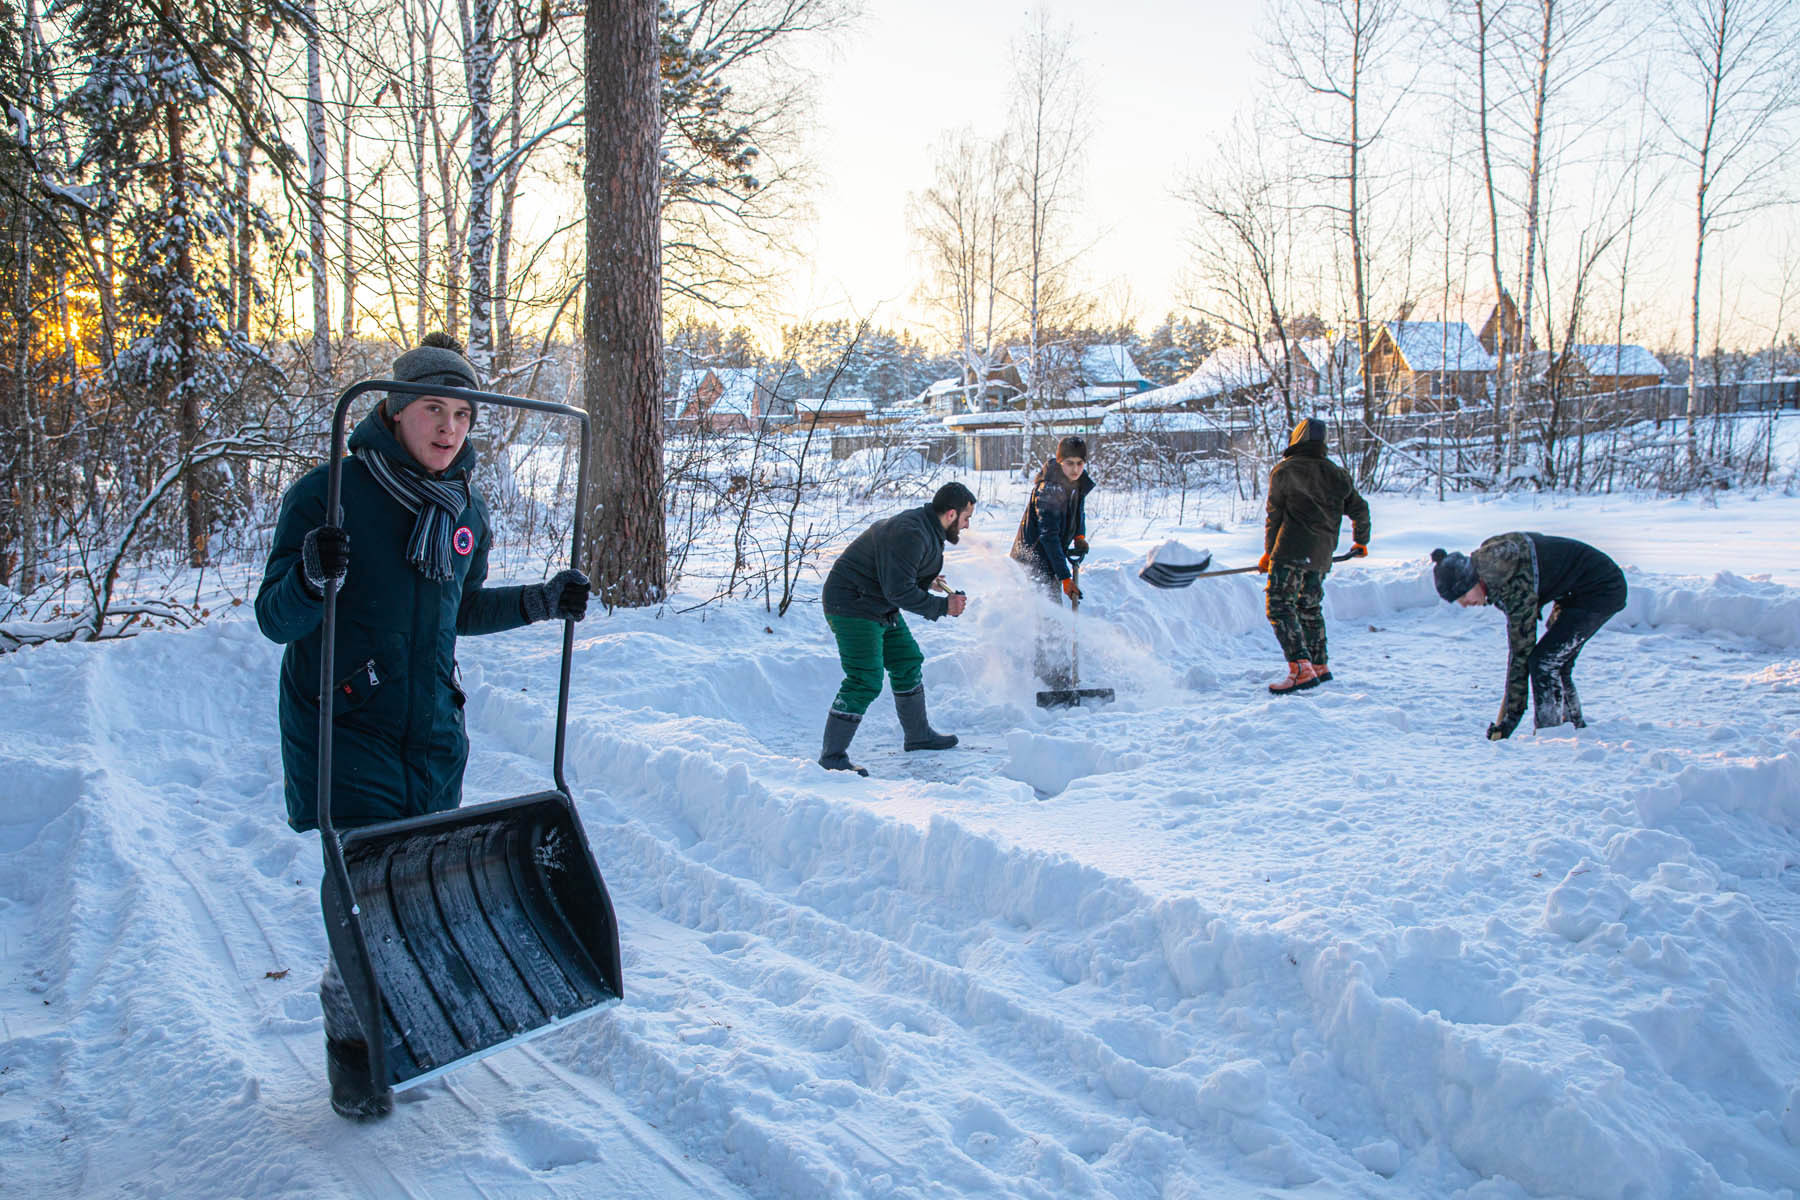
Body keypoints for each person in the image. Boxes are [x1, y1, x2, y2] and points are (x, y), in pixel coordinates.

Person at [254, 332, 590, 1121]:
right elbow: (276, 618)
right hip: (347, 727)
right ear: (396, 412)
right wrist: (310, 574)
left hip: (432, 733)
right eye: (434, 410)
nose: (450, 428)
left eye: (464, 415)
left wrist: (539, 600)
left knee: (411, 892)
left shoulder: (463, 507)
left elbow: (456, 610)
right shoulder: (327, 495)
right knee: (364, 898)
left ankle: (404, 1024)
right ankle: (352, 1046)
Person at [818, 482, 976, 775]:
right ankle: (832, 758)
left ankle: (917, 736)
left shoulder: (925, 527)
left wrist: (926, 581)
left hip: (876, 602)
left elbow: (897, 571)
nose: (967, 525)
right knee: (865, 678)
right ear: (952, 514)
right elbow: (898, 591)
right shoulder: (912, 531)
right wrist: (943, 607)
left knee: (907, 661)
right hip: (852, 603)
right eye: (966, 518)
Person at [1431, 533, 1626, 740]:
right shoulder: (1492, 564)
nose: (1464, 603)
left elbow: (1521, 653)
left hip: (1601, 588)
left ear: (1471, 581)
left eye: (1462, 596)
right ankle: (1573, 726)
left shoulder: (1512, 584)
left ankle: (1550, 735)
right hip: (1577, 591)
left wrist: (1508, 722)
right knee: (1555, 660)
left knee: (1545, 661)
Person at [1259, 417, 1370, 694]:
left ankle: (1300, 669)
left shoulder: (1284, 471)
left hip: (1290, 550)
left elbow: (1275, 516)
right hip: (1322, 554)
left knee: (1280, 605)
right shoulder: (1336, 473)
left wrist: (1269, 554)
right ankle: (1319, 666)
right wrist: (1360, 541)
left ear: (1296, 439)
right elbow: (1360, 509)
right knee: (1309, 606)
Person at [1010, 436, 1095, 686]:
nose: (1076, 469)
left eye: (1080, 463)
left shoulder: (1076, 484)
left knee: (1052, 613)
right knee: (1049, 615)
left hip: (1051, 553)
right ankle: (1048, 674)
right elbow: (1048, 537)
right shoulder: (1049, 490)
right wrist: (1065, 577)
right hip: (1033, 557)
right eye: (1069, 463)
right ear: (1059, 462)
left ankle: (1053, 670)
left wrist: (1079, 535)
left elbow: (1078, 511)